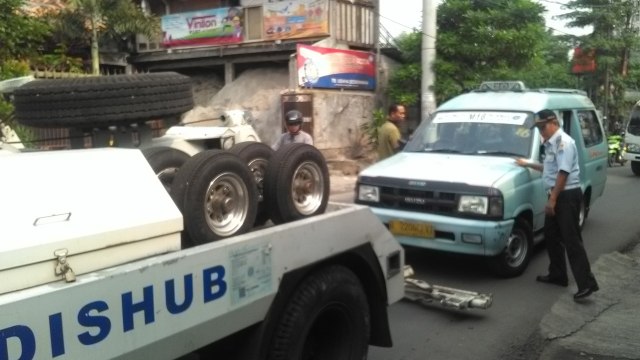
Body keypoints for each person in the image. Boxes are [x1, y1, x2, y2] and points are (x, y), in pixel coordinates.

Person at [516, 109, 599, 301]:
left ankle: (587, 284)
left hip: (566, 196)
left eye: (543, 127)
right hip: (557, 195)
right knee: (551, 237)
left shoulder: (564, 142)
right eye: (538, 128)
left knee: (572, 241)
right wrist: (528, 164)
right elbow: (550, 168)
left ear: (554, 122)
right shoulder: (551, 144)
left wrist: (552, 200)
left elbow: (563, 173)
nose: (541, 131)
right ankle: (558, 275)